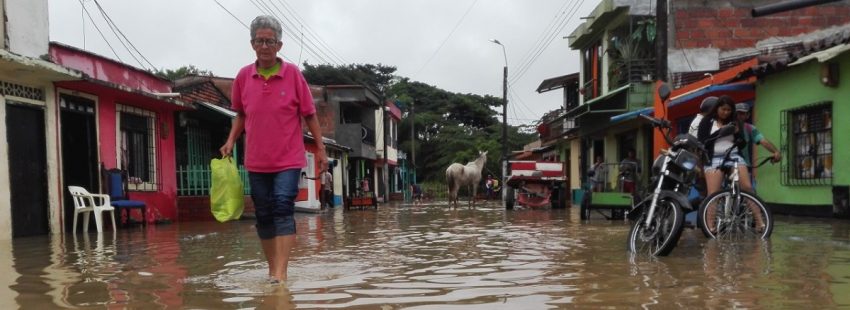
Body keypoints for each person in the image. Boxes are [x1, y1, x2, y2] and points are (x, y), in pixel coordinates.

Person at [219, 15, 327, 285]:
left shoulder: (292, 75)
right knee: (264, 214)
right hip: (256, 160)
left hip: (288, 159)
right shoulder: (244, 77)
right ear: (252, 44)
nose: (264, 46)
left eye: (270, 41)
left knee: (282, 207)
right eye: (259, 41)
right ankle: (273, 271)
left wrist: (322, 149)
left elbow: (310, 114)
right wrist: (231, 140)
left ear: (279, 45)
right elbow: (241, 114)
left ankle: (280, 272)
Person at [696, 96, 773, 233]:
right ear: (717, 108)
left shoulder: (736, 122)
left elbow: (742, 143)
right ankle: (710, 227)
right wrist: (721, 132)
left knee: (748, 187)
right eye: (723, 109)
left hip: (734, 156)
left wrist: (737, 134)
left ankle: (760, 222)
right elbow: (702, 143)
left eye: (728, 110)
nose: (725, 112)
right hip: (714, 158)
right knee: (713, 194)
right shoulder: (707, 122)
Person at [735, 103, 781, 172]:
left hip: (743, 165)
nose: (739, 116)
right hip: (725, 164)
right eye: (737, 113)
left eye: (742, 113)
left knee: (746, 183)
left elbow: (763, 141)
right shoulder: (726, 127)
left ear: (747, 115)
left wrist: (776, 152)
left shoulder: (749, 128)